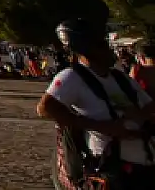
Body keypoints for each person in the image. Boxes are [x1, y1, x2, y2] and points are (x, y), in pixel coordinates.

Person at [40, 17, 155, 189]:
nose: (110, 51)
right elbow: (45, 108)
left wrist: (139, 115)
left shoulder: (119, 77)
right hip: (111, 169)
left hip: (144, 165)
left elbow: (149, 105)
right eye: (101, 45)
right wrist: (101, 126)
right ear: (86, 50)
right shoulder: (72, 77)